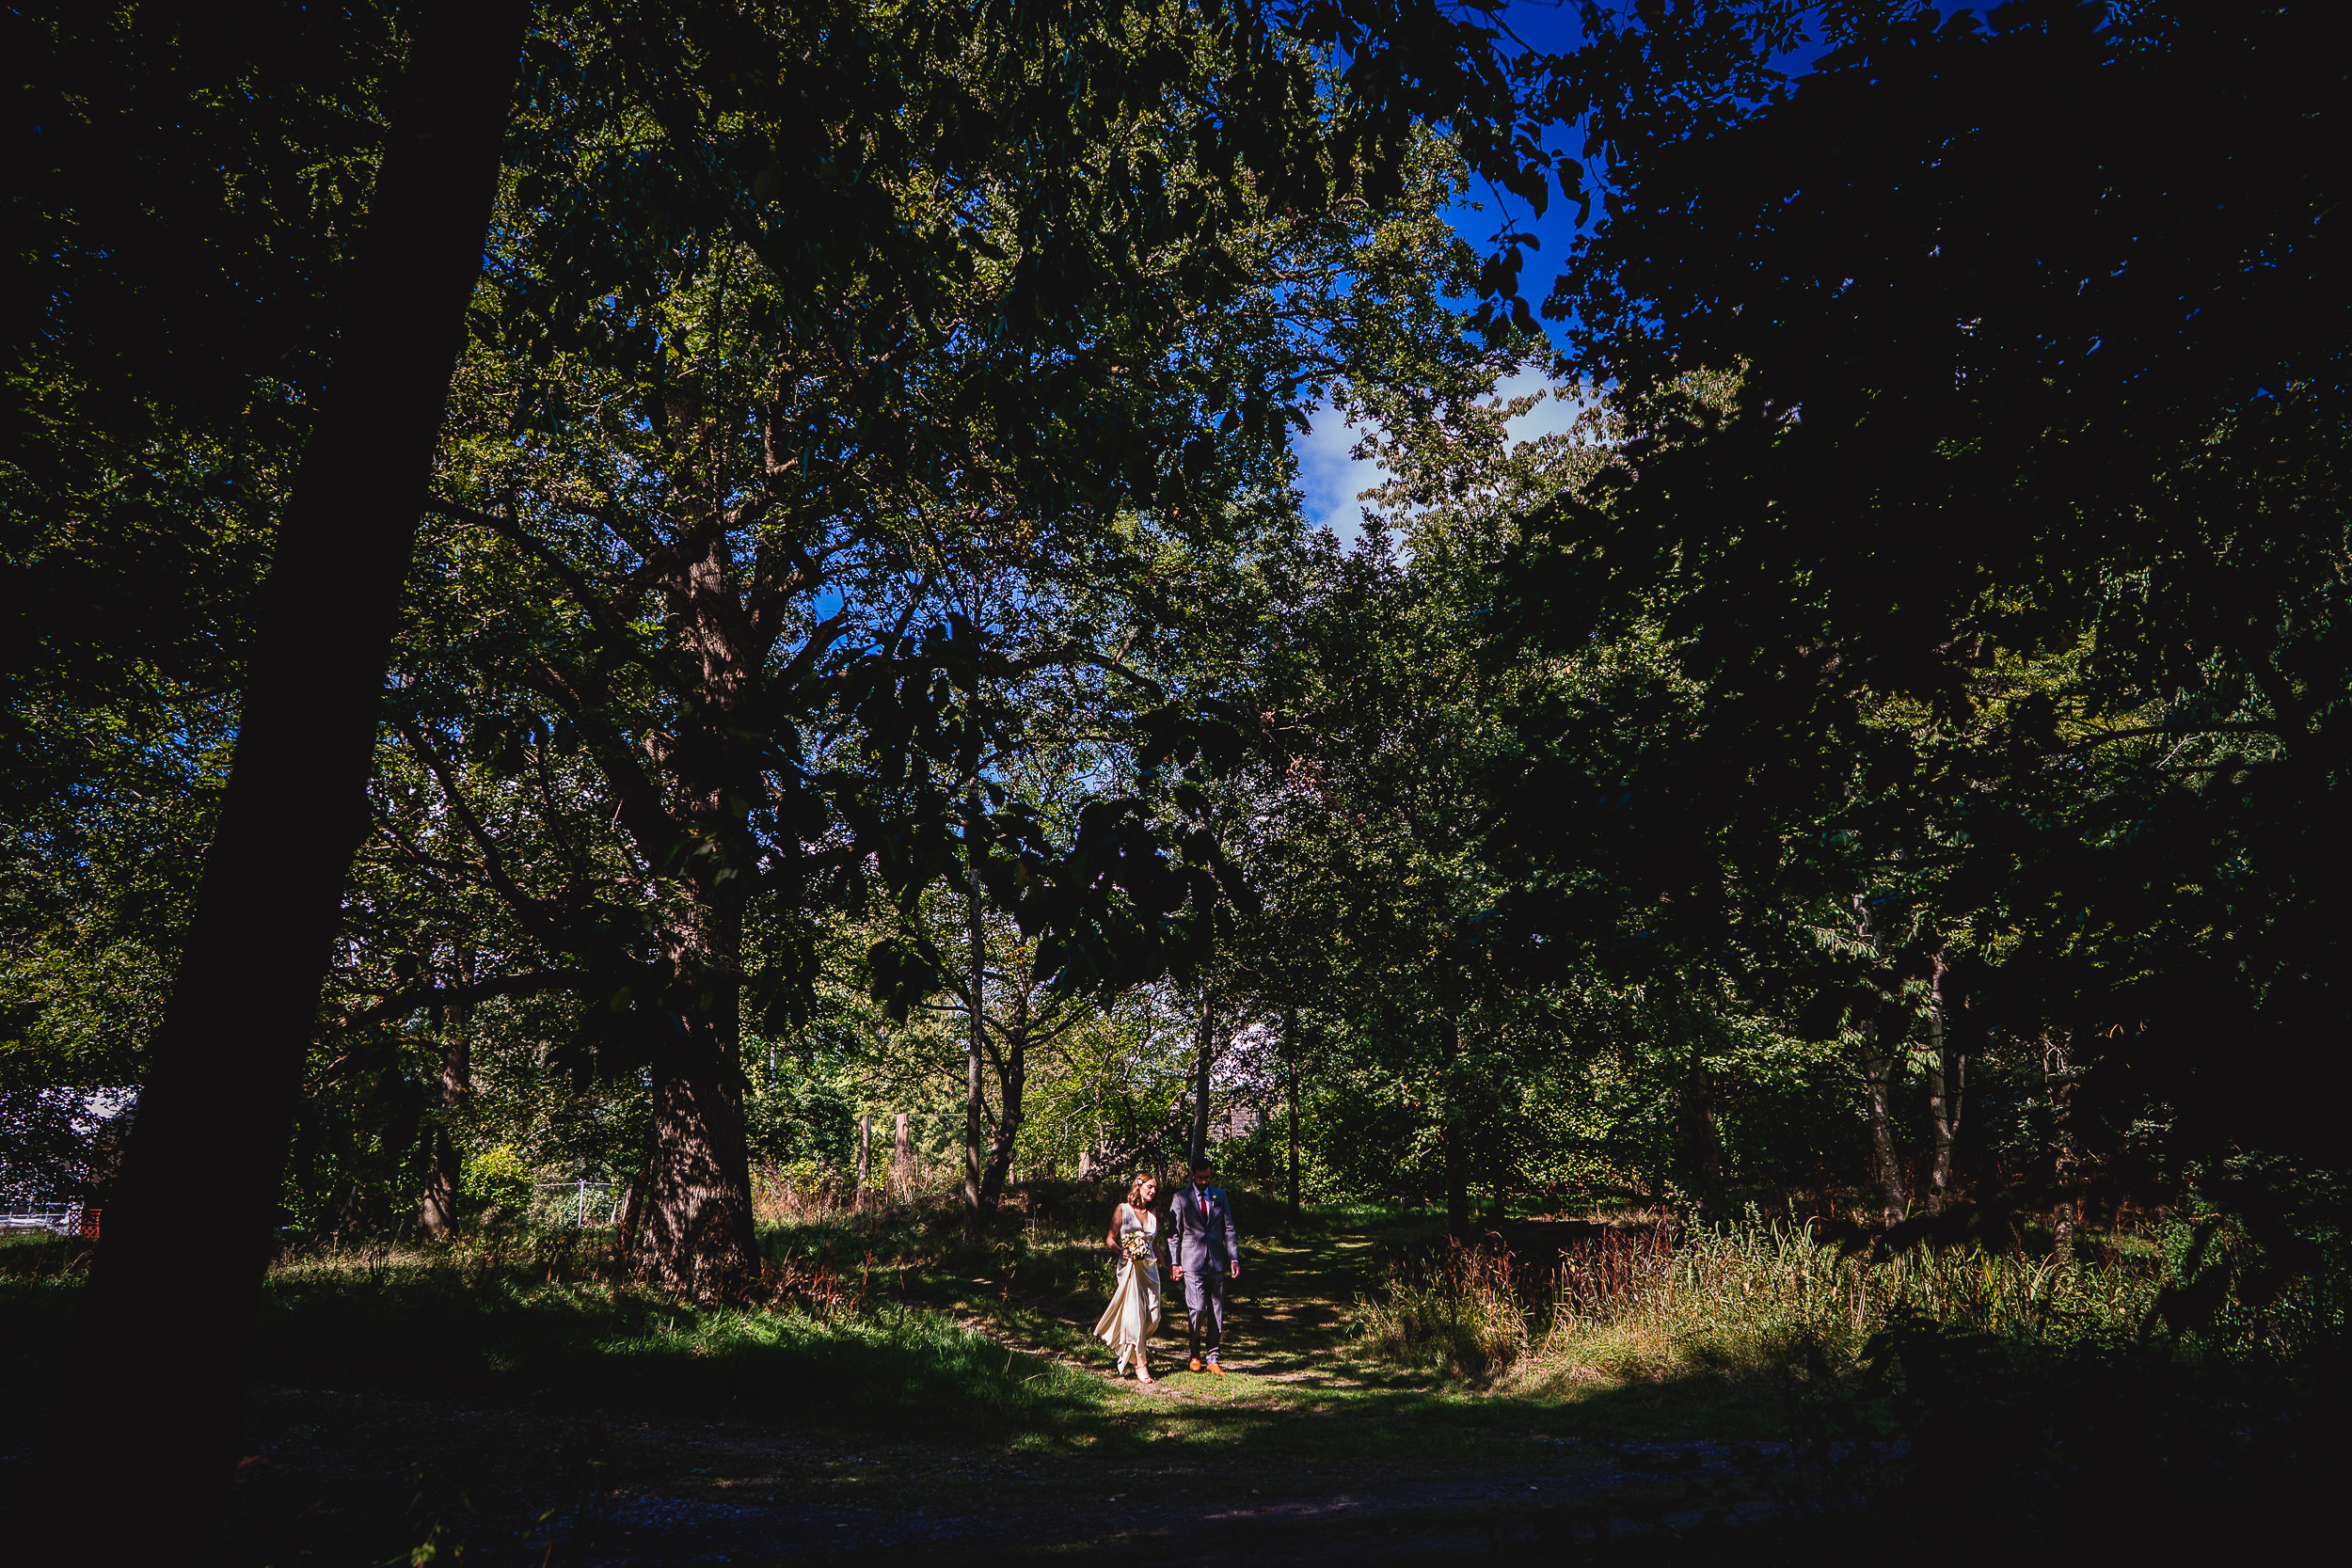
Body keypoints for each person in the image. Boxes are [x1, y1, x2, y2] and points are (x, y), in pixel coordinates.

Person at [1167, 1155, 1239, 1373]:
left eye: (1207, 1177)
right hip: (1192, 1261)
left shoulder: (1220, 1196)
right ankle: (1194, 1353)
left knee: (1216, 1311)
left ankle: (1213, 1358)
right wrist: (1174, 1262)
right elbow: (1173, 1234)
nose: (1204, 1182)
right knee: (1197, 1309)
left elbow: (1229, 1228)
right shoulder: (1181, 1198)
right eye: (1200, 1178)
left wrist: (1233, 1257)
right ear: (1192, 1176)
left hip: (1216, 1260)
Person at [1091, 1172, 1162, 1381]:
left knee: (1154, 1314)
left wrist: (1169, 1265)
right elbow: (1110, 1239)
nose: (1153, 1191)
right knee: (1135, 1317)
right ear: (1138, 1186)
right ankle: (1141, 1365)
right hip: (1130, 1268)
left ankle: (1132, 1347)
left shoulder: (1153, 1214)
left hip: (1150, 1270)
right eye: (1149, 1186)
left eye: (1155, 1188)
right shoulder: (1122, 1210)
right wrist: (1121, 1251)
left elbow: (1154, 1245)